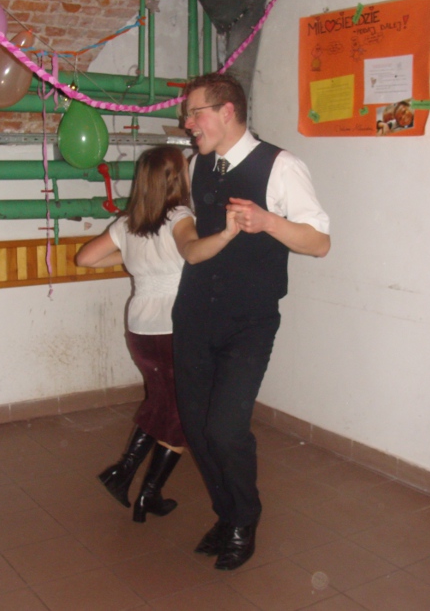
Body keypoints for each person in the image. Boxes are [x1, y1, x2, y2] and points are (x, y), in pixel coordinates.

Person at [172, 73, 331, 570]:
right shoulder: (196, 163)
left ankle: (244, 519)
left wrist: (268, 222)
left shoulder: (281, 166)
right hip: (194, 314)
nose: (188, 123)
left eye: (195, 112)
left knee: (225, 429)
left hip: (249, 321)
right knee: (197, 428)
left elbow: (320, 242)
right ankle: (225, 515)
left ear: (227, 111)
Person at [75, 145, 239, 523]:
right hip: (174, 327)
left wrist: (137, 259)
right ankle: (141, 487)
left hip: (140, 328)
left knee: (163, 403)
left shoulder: (129, 222)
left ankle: (129, 477)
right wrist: (228, 235)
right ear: (176, 178)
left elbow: (86, 258)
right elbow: (193, 251)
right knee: (181, 413)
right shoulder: (179, 216)